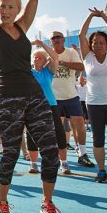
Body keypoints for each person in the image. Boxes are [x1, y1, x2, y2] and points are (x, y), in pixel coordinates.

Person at [0, 0, 61, 213]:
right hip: (7, 98)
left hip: (34, 94)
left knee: (50, 150)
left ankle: (48, 203)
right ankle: (2, 203)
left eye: (10, 7)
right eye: (2, 7)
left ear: (17, 11)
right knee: (11, 153)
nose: (4, 10)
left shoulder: (23, 28)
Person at [79, 8, 107, 184]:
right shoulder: (87, 57)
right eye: (95, 42)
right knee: (98, 140)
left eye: (101, 42)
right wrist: (90, 15)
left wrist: (103, 16)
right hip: (94, 104)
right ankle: (101, 171)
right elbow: (82, 35)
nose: (98, 45)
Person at [49, 31, 93, 170]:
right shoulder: (47, 53)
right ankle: (58, 157)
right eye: (53, 38)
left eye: (58, 37)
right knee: (58, 128)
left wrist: (61, 62)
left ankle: (83, 153)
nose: (56, 39)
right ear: (51, 41)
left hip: (71, 95)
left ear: (63, 39)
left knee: (79, 123)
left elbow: (81, 67)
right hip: (54, 97)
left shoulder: (71, 52)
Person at [27, 41, 68, 176]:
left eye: (40, 57)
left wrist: (41, 44)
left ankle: (63, 162)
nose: (37, 58)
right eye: (35, 57)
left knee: (59, 133)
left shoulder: (48, 72)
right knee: (32, 135)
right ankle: (33, 164)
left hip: (50, 105)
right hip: (33, 107)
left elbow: (55, 57)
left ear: (45, 61)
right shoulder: (27, 72)